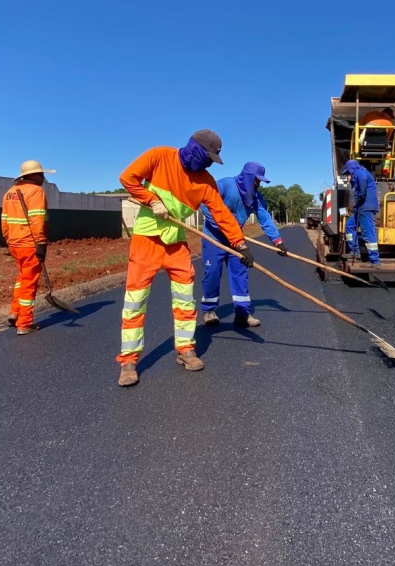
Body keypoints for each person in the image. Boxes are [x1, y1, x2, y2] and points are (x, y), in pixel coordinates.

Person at [115, 129, 255, 387]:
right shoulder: (159, 156)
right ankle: (129, 361)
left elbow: (222, 214)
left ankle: (186, 350)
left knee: (185, 300)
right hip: (146, 240)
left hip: (176, 244)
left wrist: (240, 244)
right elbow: (127, 178)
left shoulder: (206, 182)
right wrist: (151, 200)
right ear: (194, 150)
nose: (210, 163)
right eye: (208, 157)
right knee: (135, 301)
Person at [200, 162, 287, 328]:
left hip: (237, 241)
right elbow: (205, 205)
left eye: (260, 181)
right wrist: (224, 228)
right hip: (214, 238)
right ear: (247, 177)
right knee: (212, 274)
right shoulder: (225, 185)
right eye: (256, 180)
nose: (258, 184)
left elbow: (265, 219)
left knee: (240, 273)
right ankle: (209, 311)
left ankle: (242, 313)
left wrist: (278, 242)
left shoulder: (255, 197)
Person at [1, 160, 53, 335]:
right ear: (33, 175)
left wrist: (9, 240)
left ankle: (15, 312)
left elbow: (5, 221)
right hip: (29, 244)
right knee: (29, 282)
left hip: (15, 243)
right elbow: (37, 219)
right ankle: (24, 323)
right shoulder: (36, 191)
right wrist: (41, 243)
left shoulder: (10, 193)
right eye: (41, 174)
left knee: (22, 278)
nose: (43, 178)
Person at [341, 160, 381, 268]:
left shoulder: (361, 174)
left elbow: (362, 189)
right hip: (361, 208)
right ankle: (355, 252)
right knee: (349, 226)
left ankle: (374, 261)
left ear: (351, 170)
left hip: (366, 208)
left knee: (367, 233)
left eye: (348, 173)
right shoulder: (359, 174)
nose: (347, 176)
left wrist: (359, 196)